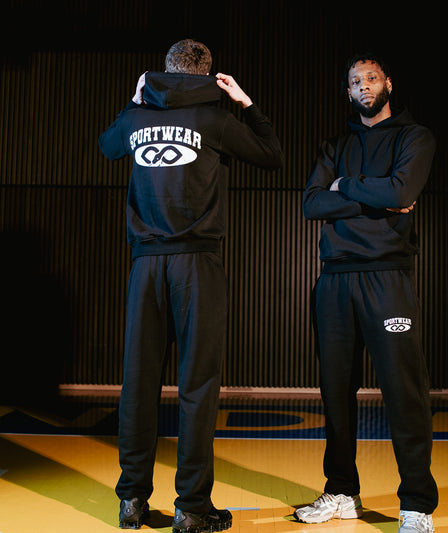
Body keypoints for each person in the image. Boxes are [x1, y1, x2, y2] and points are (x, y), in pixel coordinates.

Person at [98, 39, 283, 532]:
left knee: (138, 384)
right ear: (208, 75)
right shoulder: (215, 119)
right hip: (197, 265)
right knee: (197, 386)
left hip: (145, 267)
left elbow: (107, 145)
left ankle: (131, 500)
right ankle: (192, 508)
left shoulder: (138, 118)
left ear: (162, 72)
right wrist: (246, 103)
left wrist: (135, 100)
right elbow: (273, 155)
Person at [296, 52, 438, 533]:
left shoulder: (414, 137)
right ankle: (341, 492)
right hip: (335, 278)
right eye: (355, 80)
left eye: (371, 77)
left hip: (386, 277)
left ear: (388, 84)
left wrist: (345, 187)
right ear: (348, 92)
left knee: (404, 392)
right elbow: (312, 204)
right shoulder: (335, 144)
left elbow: (401, 193)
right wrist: (373, 194)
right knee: (336, 392)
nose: (363, 85)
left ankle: (416, 503)